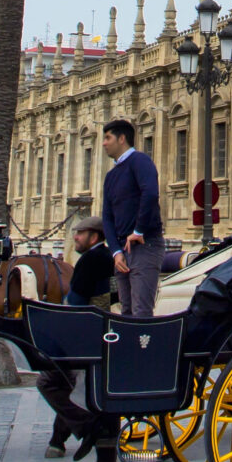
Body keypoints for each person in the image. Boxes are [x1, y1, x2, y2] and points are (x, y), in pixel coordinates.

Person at [39, 218, 120, 462]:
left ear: (93, 237)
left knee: (48, 382)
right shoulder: (108, 257)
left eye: (80, 233)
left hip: (84, 332)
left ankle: (86, 426)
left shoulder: (90, 260)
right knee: (69, 384)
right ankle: (58, 440)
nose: (75, 237)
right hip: (101, 328)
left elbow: (76, 300)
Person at [99, 118, 166, 318]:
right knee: (126, 311)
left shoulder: (140, 161)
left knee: (141, 311)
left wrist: (139, 230)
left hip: (145, 245)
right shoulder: (111, 176)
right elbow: (107, 216)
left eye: (107, 138)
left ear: (122, 139)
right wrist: (115, 251)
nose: (104, 143)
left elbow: (151, 194)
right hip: (122, 251)